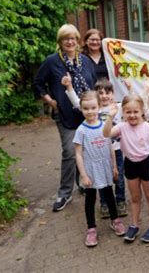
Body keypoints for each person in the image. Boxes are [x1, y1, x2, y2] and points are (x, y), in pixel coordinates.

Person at [34, 24, 97, 212]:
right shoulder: (52, 61)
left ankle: (83, 183)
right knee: (70, 151)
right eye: (65, 39)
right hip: (65, 114)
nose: (69, 42)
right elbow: (38, 83)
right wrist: (50, 101)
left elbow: (92, 84)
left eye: (73, 38)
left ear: (78, 41)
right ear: (60, 42)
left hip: (86, 114)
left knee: (85, 150)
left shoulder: (85, 61)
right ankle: (65, 193)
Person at [61, 77, 127, 218]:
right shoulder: (94, 108)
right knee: (102, 178)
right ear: (97, 96)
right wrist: (69, 86)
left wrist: (129, 87)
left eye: (107, 92)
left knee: (119, 178)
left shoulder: (117, 107)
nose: (104, 96)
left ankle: (120, 201)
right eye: (101, 93)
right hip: (98, 151)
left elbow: (130, 102)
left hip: (115, 149)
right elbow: (78, 102)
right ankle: (104, 204)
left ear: (113, 94)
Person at [103, 94, 149, 243]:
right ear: (123, 113)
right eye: (128, 112)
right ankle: (134, 225)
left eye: (135, 111)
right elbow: (106, 134)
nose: (132, 115)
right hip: (130, 164)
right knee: (134, 198)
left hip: (146, 163)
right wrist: (110, 117)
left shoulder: (148, 127)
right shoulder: (121, 127)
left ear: (142, 111)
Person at [73, 91, 126, 247]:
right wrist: (83, 174)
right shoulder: (81, 130)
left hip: (105, 167)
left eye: (93, 107)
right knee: (90, 199)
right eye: (86, 108)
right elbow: (78, 154)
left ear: (98, 107)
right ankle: (91, 229)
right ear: (81, 109)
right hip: (90, 168)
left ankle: (115, 220)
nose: (90, 111)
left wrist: (114, 166)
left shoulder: (105, 126)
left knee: (109, 195)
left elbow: (110, 146)